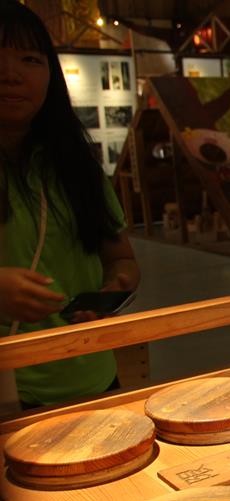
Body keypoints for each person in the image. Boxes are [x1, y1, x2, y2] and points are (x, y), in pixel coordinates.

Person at [0, 1, 139, 409]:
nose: (10, 73)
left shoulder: (76, 165)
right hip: (11, 392)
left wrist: (116, 286)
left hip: (93, 377)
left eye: (29, 59)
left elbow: (121, 258)